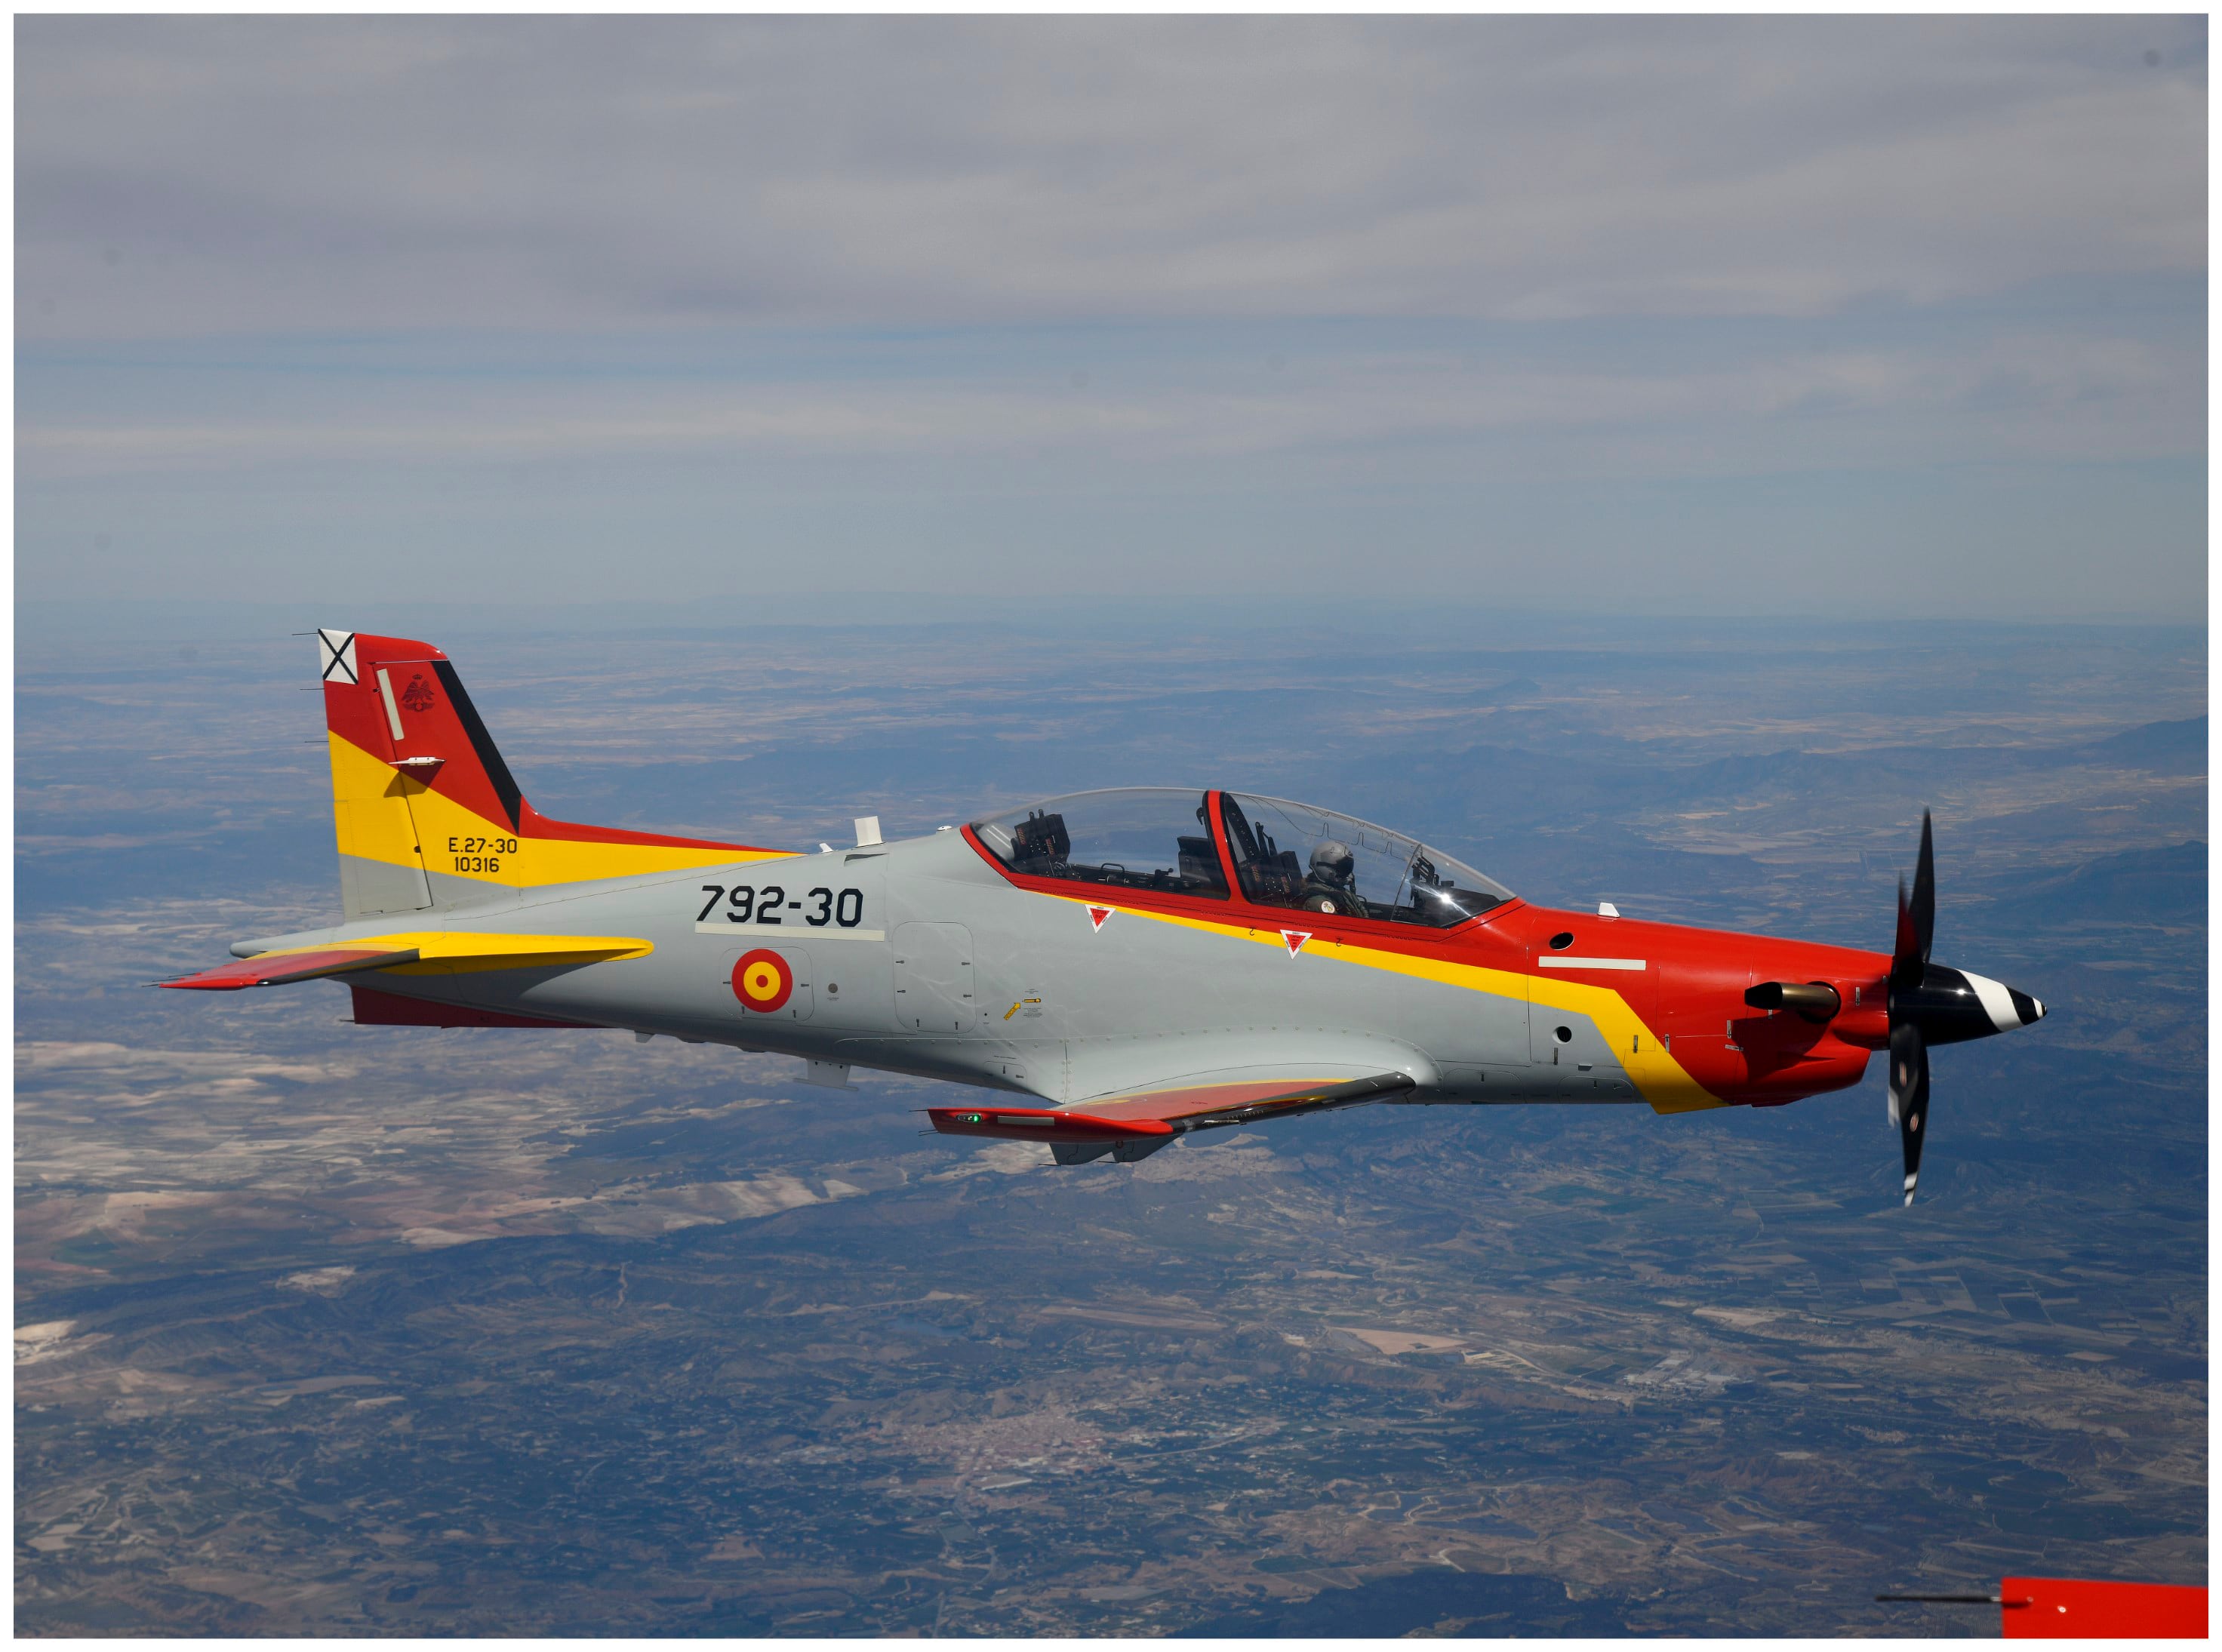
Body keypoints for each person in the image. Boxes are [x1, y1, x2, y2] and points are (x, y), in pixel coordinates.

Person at [1300, 839, 1366, 919]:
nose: (1347, 874)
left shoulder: (1340, 893)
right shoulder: (1318, 903)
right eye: (1342, 869)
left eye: (1348, 869)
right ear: (1324, 867)